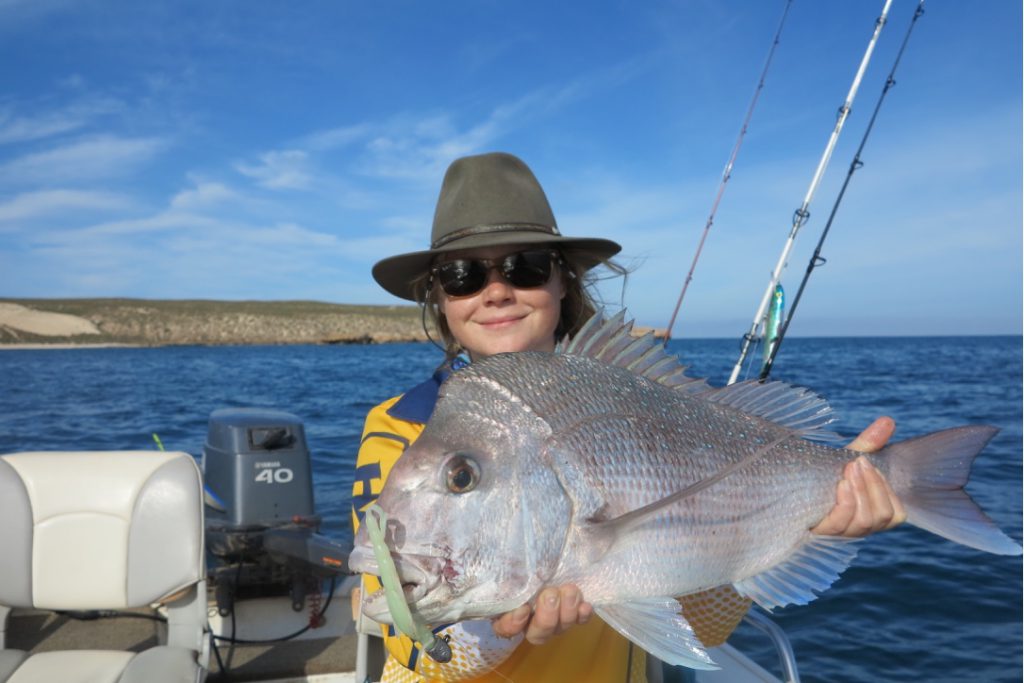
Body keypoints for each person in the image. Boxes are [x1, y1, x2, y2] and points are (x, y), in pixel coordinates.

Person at [351, 152, 906, 682]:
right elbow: (408, 648)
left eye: (526, 267)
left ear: (562, 280)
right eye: (463, 275)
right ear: (440, 299)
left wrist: (813, 518)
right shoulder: (400, 431)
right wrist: (498, 631)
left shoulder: (637, 398)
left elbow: (702, 630)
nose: (496, 291)